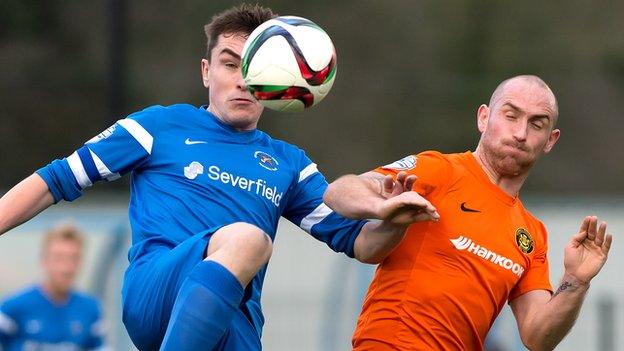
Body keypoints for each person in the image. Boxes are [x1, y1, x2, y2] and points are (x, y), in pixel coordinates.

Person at [0, 4, 431, 351]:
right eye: (230, 65)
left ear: (278, 81)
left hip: (234, 324)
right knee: (248, 238)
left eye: (256, 68)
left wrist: (392, 220)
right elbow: (54, 179)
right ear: (207, 72)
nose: (243, 80)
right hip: (157, 293)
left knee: (247, 248)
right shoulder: (158, 127)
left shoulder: (288, 164)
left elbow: (361, 244)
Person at [323, 75, 613, 350]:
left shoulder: (531, 234)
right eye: (511, 116)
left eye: (537, 125)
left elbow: (538, 337)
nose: (521, 133)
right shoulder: (440, 171)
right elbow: (339, 192)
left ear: (550, 140)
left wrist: (576, 281)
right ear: (484, 117)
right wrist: (381, 206)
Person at [0, 223, 107, 351]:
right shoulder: (13, 307)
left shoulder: (91, 309)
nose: (66, 268)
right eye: (59, 258)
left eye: (73, 258)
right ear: (44, 260)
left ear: (81, 262)